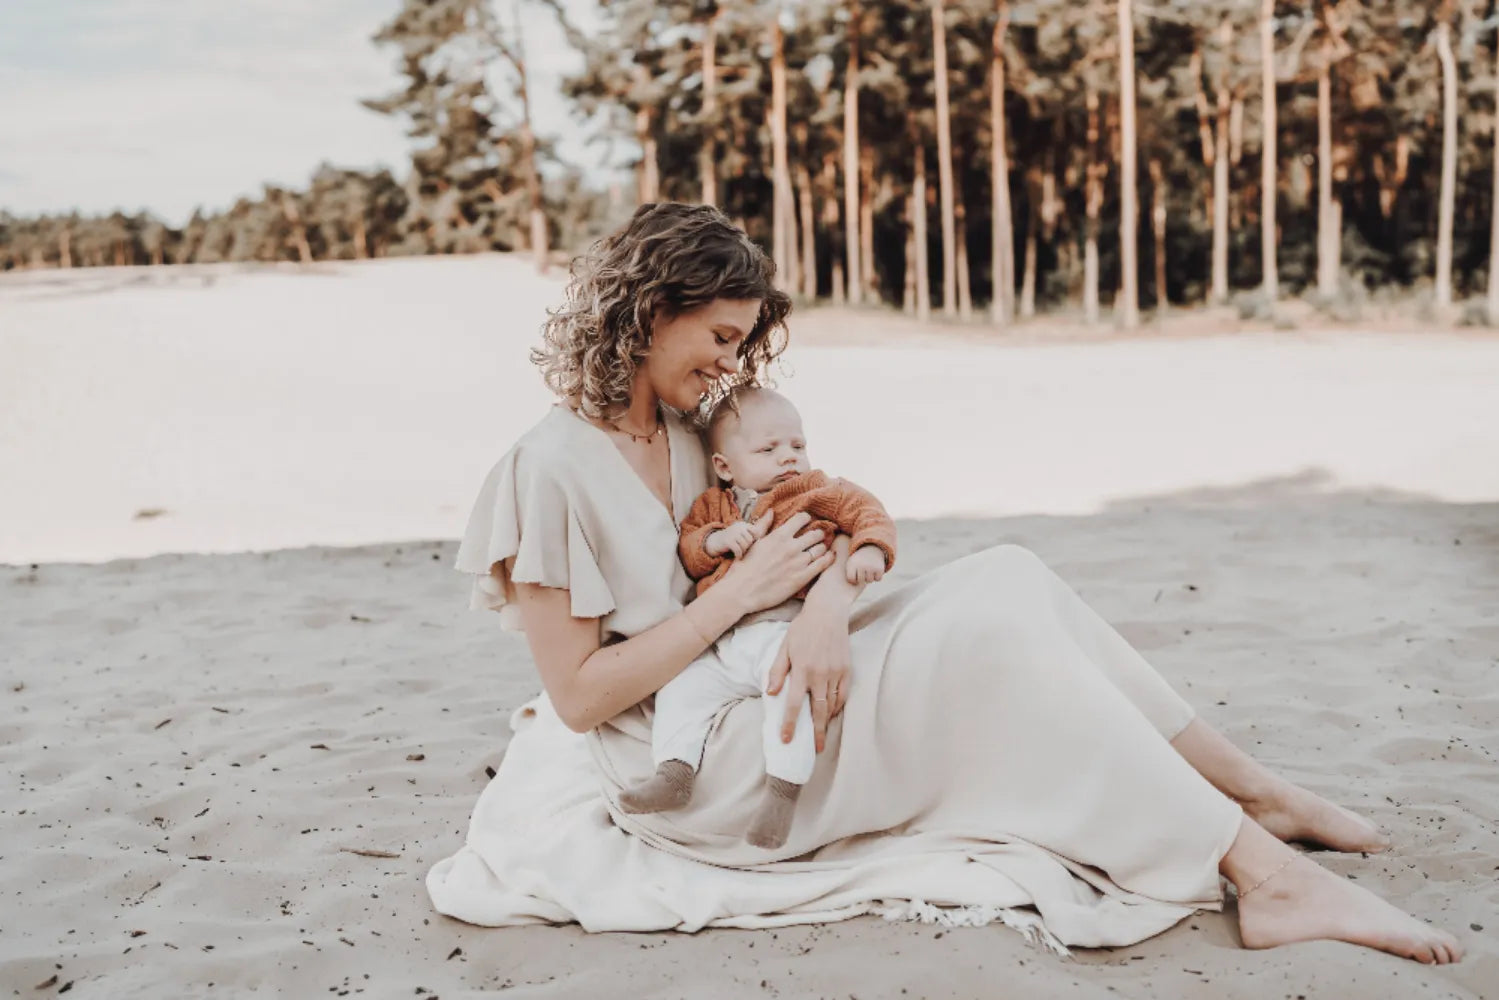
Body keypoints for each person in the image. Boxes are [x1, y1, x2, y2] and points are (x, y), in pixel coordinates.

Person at [434, 202, 1462, 964]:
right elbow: (578, 699)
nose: (728, 367)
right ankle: (1266, 875)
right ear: (648, 311)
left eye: (741, 346)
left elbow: (803, 524)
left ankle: (1247, 790)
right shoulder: (545, 471)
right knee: (986, 644)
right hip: (704, 759)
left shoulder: (687, 431)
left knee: (1008, 574)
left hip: (774, 659)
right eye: (715, 339)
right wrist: (738, 605)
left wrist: (829, 601)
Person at [618, 386, 897, 851]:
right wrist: (717, 541)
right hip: (723, 644)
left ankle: (782, 792)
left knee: (789, 693)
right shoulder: (714, 507)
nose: (788, 457)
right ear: (725, 466)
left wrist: (869, 546)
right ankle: (674, 771)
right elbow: (690, 547)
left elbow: (866, 510)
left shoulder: (814, 490)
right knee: (681, 689)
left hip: (781, 633)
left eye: (798, 445)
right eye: (769, 449)